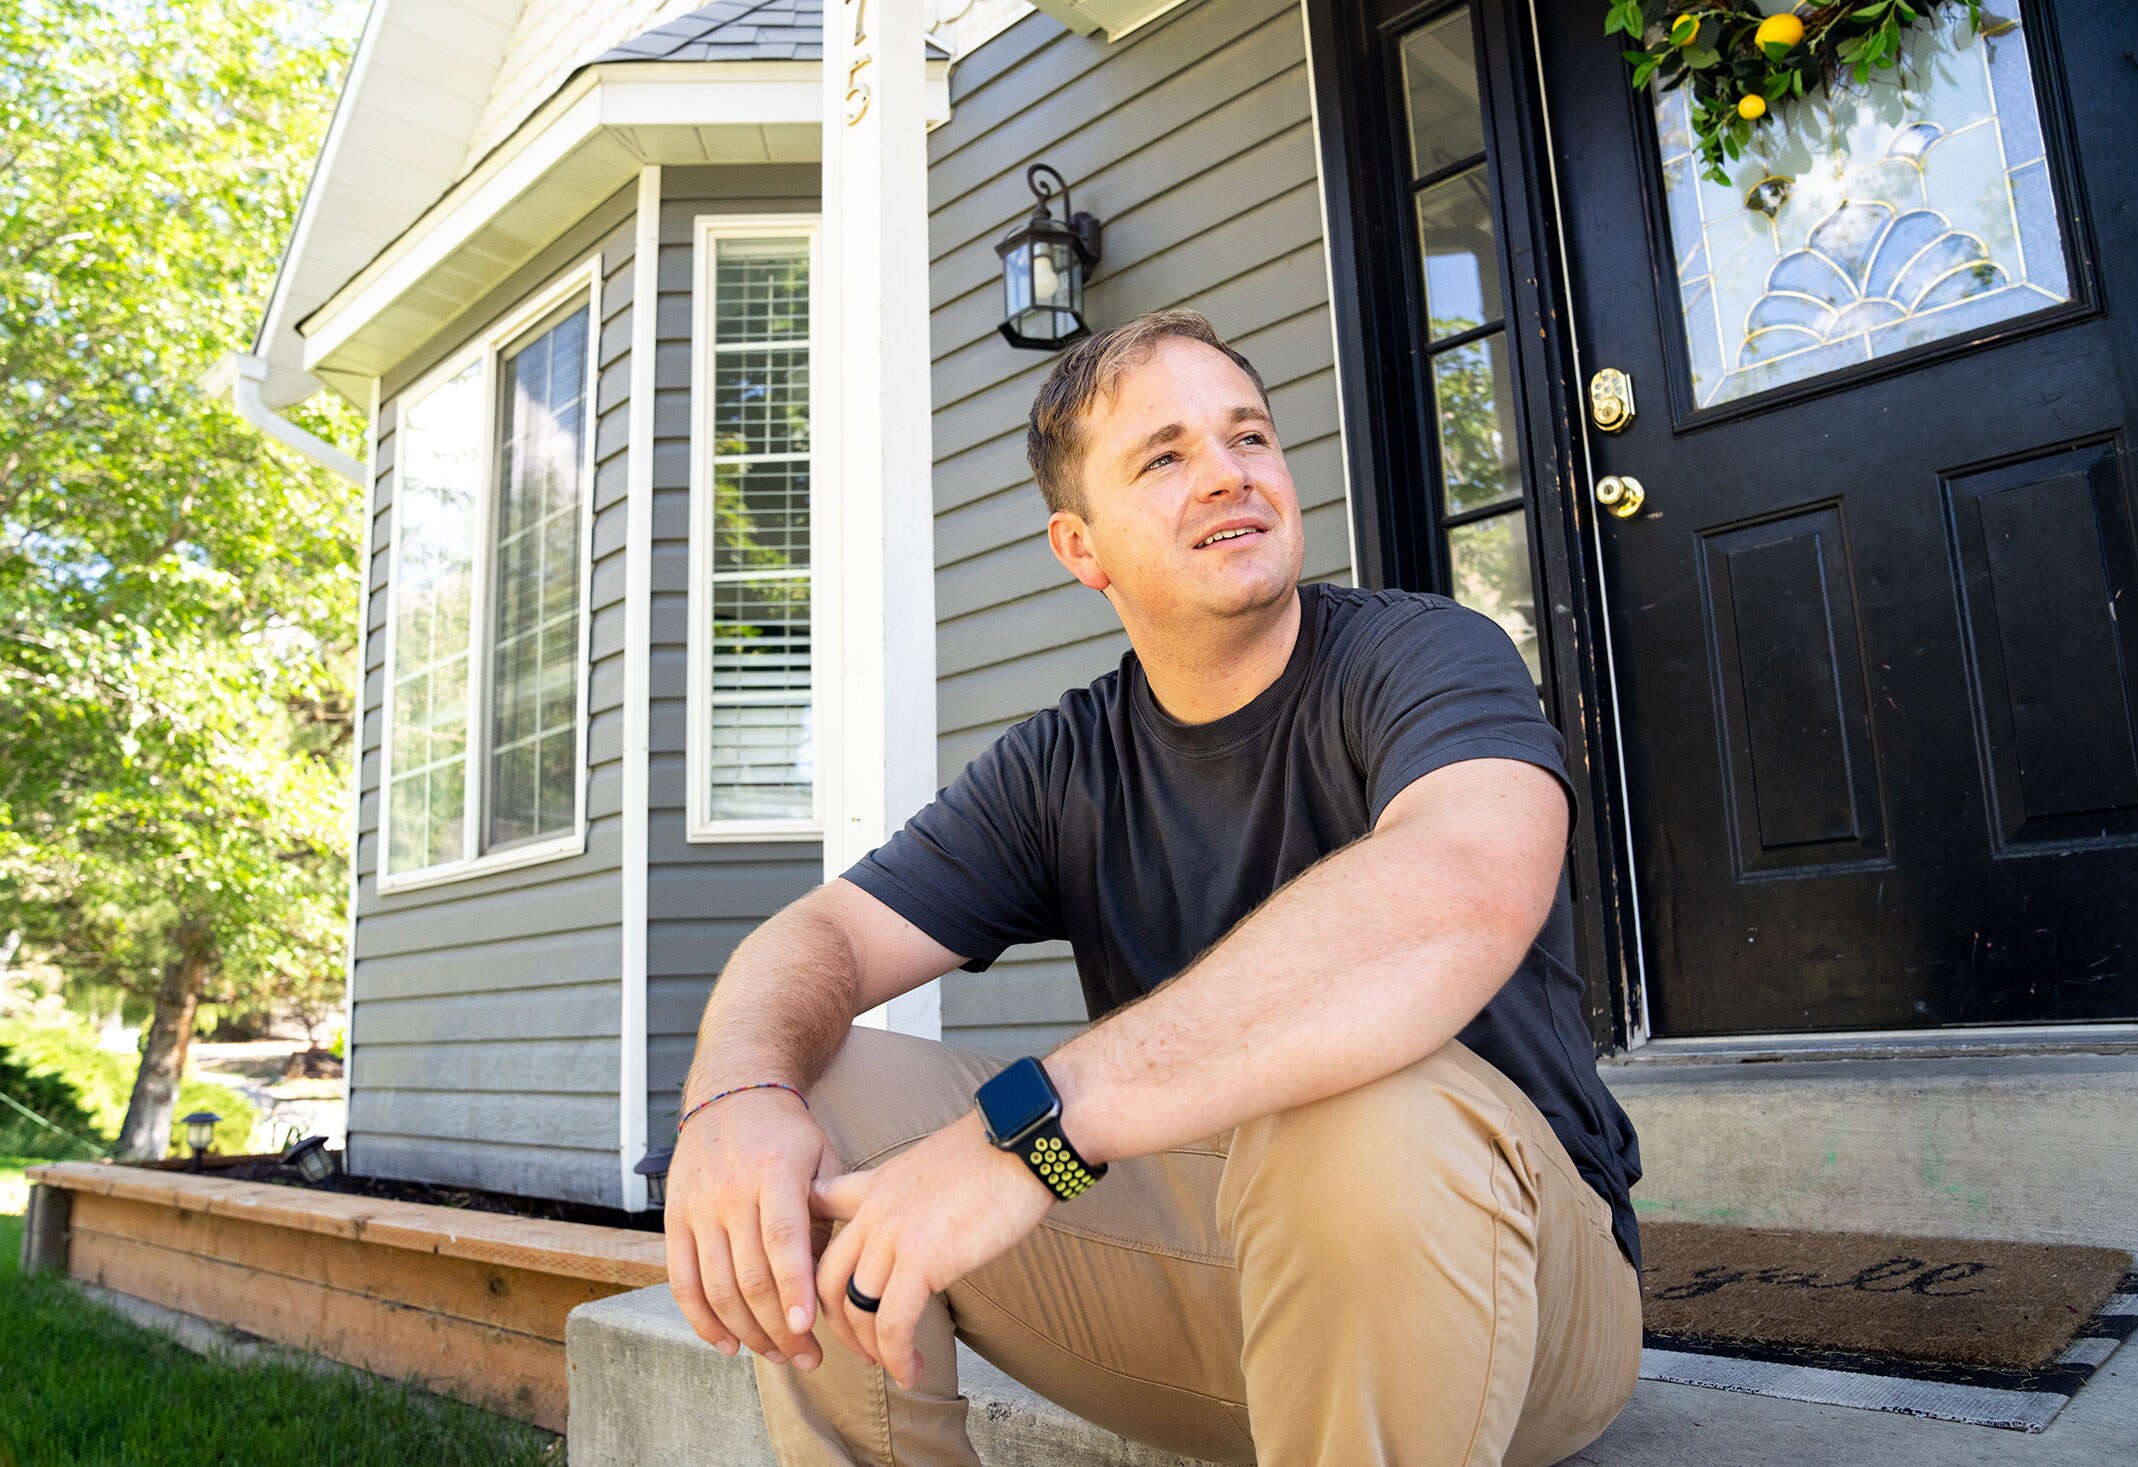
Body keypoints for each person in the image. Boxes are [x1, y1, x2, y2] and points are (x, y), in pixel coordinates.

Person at [665, 309, 1643, 1467]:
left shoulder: (1422, 655)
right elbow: (822, 933)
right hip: (1222, 1281)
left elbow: (1457, 889)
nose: (1229, 476)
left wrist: (1031, 1137)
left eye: (1249, 439)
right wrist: (733, 1095)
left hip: (1512, 1287)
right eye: (1165, 456)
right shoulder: (1064, 763)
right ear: (1082, 549)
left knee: (1362, 1109)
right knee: (809, 1089)